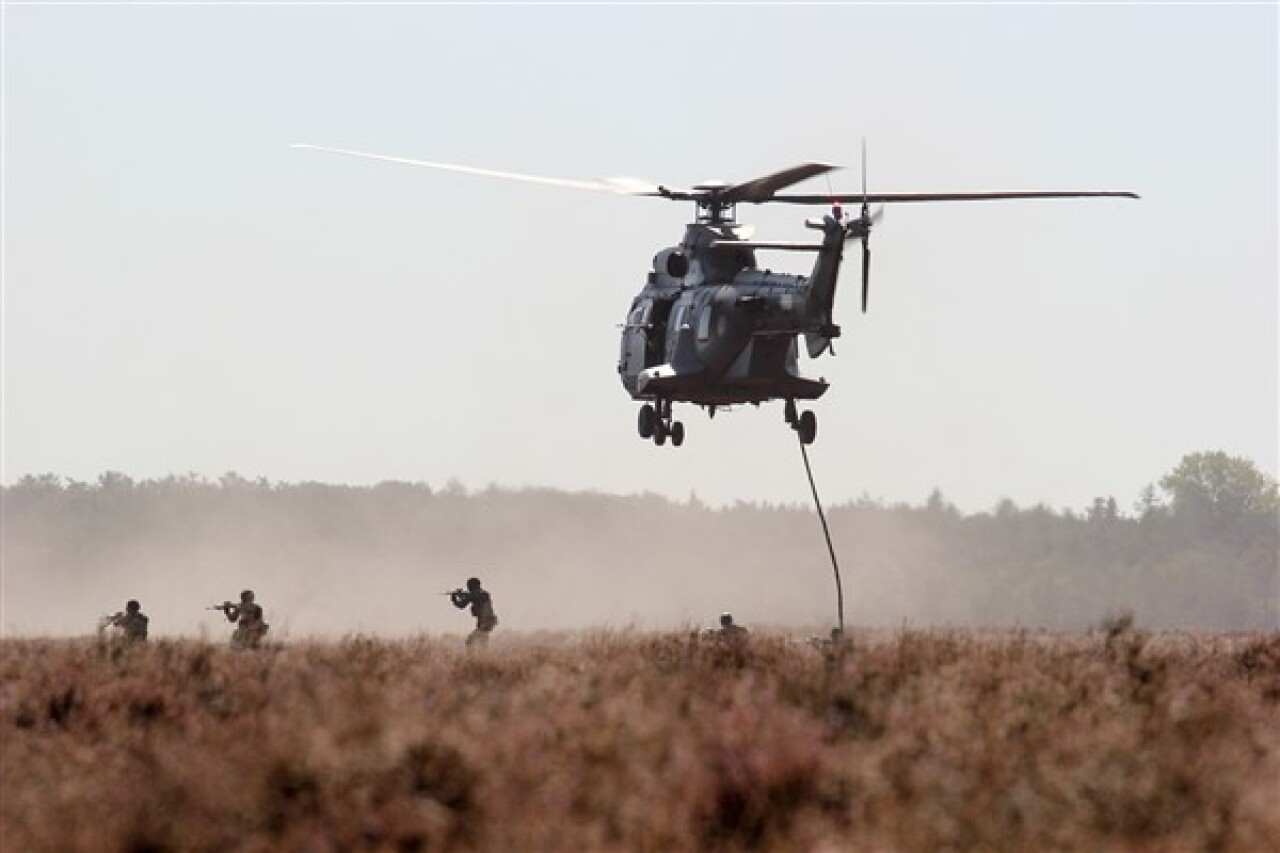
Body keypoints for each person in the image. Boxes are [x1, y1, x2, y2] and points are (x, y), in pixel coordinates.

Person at [449, 577, 498, 648]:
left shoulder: (474, 595)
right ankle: (484, 657)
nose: (468, 588)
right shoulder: (484, 594)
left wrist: (454, 599)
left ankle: (472, 658)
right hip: (488, 621)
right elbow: (475, 599)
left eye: (469, 586)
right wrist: (463, 596)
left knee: (469, 642)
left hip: (485, 623)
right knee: (482, 643)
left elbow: (461, 605)